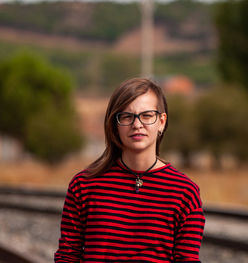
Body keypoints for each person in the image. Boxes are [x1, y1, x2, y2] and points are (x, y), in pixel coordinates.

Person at [54, 78, 205, 262]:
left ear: (162, 121)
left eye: (147, 115)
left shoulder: (184, 192)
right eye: (126, 116)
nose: (137, 124)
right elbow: (67, 257)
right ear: (115, 125)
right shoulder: (84, 185)